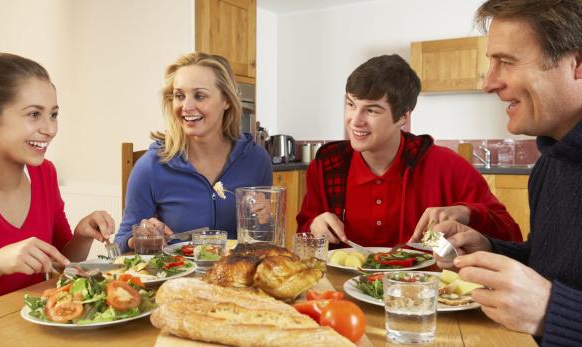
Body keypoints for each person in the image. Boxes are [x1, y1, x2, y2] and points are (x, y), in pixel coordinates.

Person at [408, 1, 582, 344]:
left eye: (506, 62)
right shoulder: (550, 164)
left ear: (576, 63)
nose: (488, 83)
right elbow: (549, 265)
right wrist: (487, 248)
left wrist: (552, 310)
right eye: (491, 63)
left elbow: (551, 294)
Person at [297, 54, 522, 247]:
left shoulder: (445, 166)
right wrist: (313, 227)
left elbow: (511, 236)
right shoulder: (327, 165)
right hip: (339, 294)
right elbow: (303, 236)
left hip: (424, 292)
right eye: (351, 105)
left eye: (372, 110)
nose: (355, 121)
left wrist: (468, 213)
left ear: (403, 117)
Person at [0, 52, 115, 306]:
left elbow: (61, 265)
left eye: (53, 114)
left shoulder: (44, 173)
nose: (50, 129)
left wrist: (81, 236)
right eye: (34, 114)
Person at [115, 52, 272, 252]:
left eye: (200, 96)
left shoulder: (256, 160)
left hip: (238, 276)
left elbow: (263, 240)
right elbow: (122, 241)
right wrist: (138, 238)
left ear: (226, 100)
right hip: (178, 280)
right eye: (179, 96)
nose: (186, 107)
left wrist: (265, 220)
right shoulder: (151, 166)